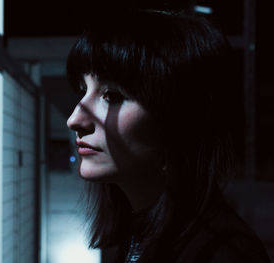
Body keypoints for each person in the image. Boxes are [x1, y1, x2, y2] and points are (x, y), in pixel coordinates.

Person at [66, 8, 270, 263]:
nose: (75, 120)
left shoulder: (222, 254)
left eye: (112, 96)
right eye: (83, 90)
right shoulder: (139, 232)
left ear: (179, 119)